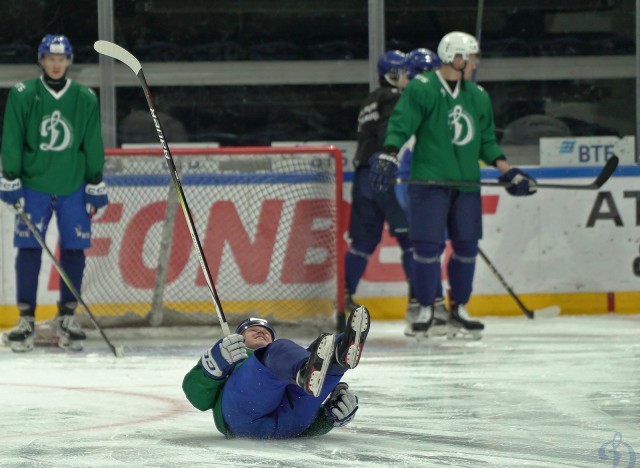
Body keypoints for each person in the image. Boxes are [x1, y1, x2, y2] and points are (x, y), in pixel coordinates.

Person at [369, 31, 536, 339]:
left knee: (466, 248)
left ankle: (458, 309)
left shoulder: (478, 96)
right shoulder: (422, 88)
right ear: (457, 58)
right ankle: (426, 310)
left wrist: (508, 171)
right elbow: (401, 124)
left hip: (466, 186)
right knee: (427, 249)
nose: (475, 63)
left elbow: (486, 141)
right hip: (428, 183)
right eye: (472, 57)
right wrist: (390, 153)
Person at [0, 34, 109, 352]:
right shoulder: (24, 94)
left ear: (69, 61)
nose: (56, 64)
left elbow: (91, 141)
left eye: (61, 59)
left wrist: (95, 180)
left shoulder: (85, 97)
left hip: (73, 186)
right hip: (33, 185)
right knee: (29, 251)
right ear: (42, 60)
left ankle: (67, 317)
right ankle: (26, 320)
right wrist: (10, 177)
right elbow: (13, 136)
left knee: (75, 251)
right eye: (50, 58)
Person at [182, 305, 370, 439]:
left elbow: (310, 428)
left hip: (292, 424)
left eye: (266, 332)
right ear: (238, 338)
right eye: (252, 330)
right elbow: (199, 400)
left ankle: (339, 353)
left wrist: (328, 418)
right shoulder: (225, 359)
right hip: (243, 417)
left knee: (309, 357)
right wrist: (211, 370)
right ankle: (320, 368)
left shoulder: (286, 359)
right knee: (280, 353)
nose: (261, 332)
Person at [341, 49, 412, 332]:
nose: (408, 77)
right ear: (392, 74)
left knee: (363, 242)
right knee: (410, 240)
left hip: (363, 175)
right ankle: (420, 301)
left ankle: (345, 296)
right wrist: (390, 156)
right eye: (404, 72)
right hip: (384, 173)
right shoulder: (394, 98)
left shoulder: (370, 99)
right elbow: (388, 134)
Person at [394, 48, 450, 338]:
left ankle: (430, 305)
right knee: (426, 247)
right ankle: (425, 306)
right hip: (413, 178)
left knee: (430, 246)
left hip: (425, 176)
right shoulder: (421, 97)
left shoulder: (422, 96)